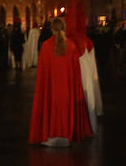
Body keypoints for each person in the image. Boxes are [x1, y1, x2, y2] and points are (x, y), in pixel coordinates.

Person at [29, 18, 91, 147]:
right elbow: (75, 72)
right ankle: (66, 134)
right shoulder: (71, 46)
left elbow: (42, 74)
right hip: (67, 89)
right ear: (64, 28)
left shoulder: (46, 46)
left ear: (52, 29)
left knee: (51, 109)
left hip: (51, 90)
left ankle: (51, 134)